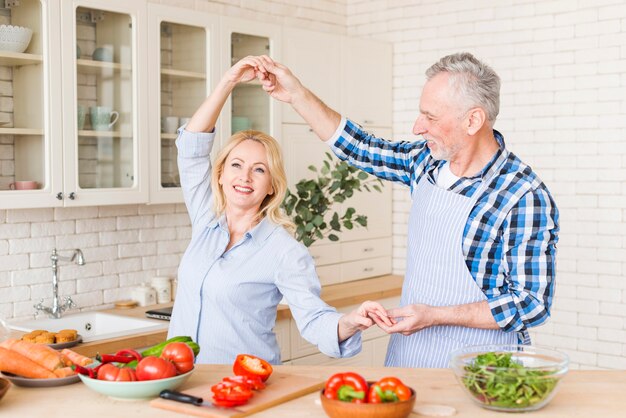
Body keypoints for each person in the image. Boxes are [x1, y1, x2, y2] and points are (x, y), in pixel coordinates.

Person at [255, 52, 559, 368]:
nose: (417, 127)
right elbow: (359, 147)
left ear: (473, 120)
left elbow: (530, 304)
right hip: (411, 354)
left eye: (430, 117)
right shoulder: (425, 163)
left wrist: (436, 315)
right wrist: (296, 95)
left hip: (483, 367)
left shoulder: (522, 194)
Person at [168, 57, 387, 365]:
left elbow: (313, 319)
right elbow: (191, 148)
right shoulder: (207, 220)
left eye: (259, 170)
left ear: (271, 185)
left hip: (244, 385)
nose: (244, 177)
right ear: (220, 174)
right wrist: (227, 82)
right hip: (182, 379)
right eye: (236, 165)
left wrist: (350, 322)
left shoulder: (284, 251)